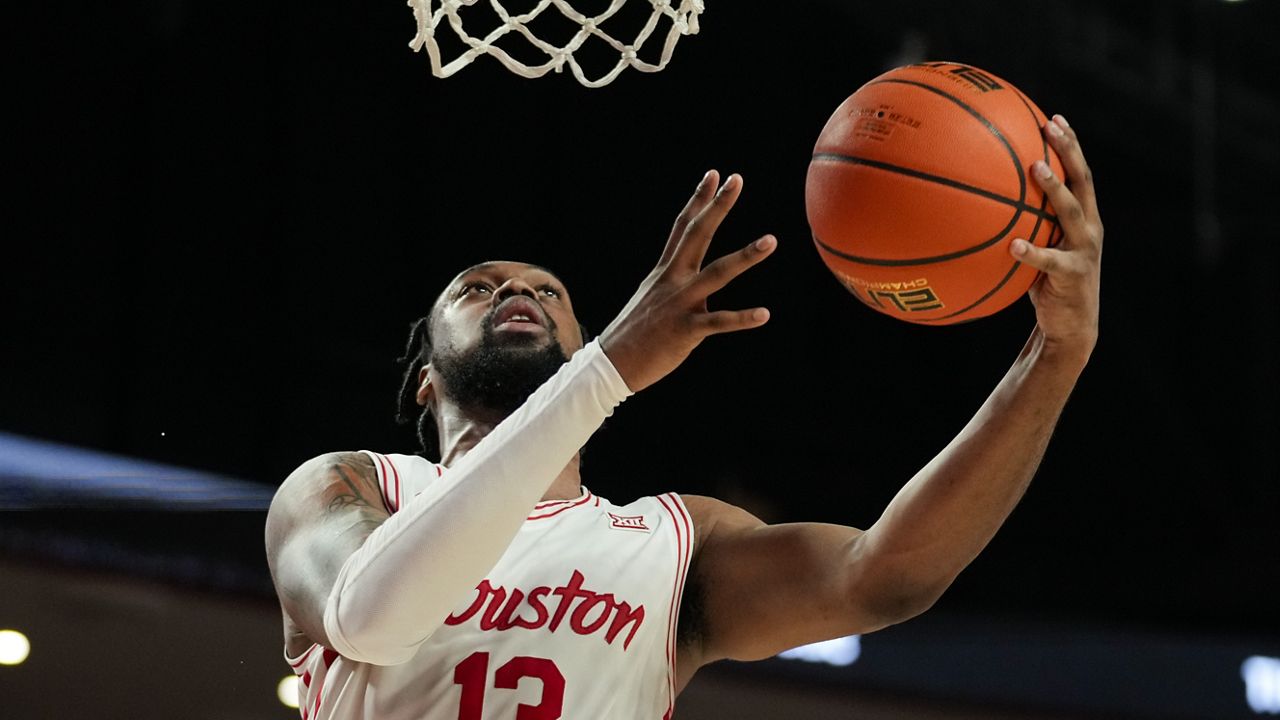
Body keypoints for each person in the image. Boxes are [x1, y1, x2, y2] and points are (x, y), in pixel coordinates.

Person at [265, 114, 1102, 720]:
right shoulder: (354, 487)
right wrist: (608, 368)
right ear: (422, 381)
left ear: (581, 343)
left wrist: (1055, 355)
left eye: (548, 292)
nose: (518, 291)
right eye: (478, 287)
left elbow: (885, 578)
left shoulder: (673, 542)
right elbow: (369, 620)